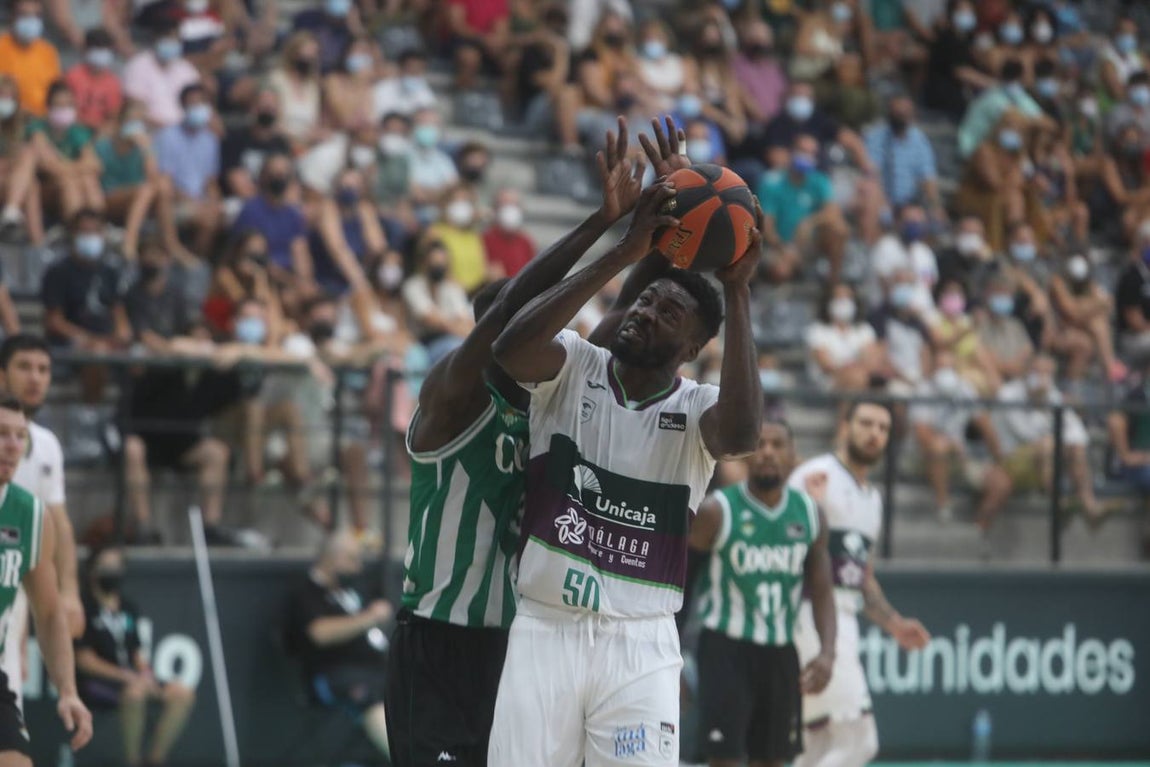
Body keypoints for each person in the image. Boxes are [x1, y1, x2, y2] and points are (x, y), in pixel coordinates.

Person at [386, 116, 682, 767]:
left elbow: (631, 314)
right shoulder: (452, 399)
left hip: (524, 640)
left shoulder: (554, 396)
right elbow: (507, 316)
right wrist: (602, 228)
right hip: (440, 639)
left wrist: (670, 214)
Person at [487, 125, 764, 764]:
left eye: (669, 314)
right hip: (546, 626)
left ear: (691, 349)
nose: (645, 312)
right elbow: (509, 348)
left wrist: (738, 287)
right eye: (645, 302)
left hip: (640, 643)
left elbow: (742, 436)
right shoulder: (574, 365)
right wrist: (627, 249)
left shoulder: (697, 409)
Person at [685, 419, 836, 767]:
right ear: (745, 455)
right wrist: (673, 654)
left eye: (777, 444)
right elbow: (682, 585)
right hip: (725, 649)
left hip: (781, 651)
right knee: (724, 759)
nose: (768, 452)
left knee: (773, 760)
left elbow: (822, 589)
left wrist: (828, 653)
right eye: (760, 444)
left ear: (793, 456)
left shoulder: (810, 514)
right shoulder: (716, 511)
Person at [789, 400, 930, 767]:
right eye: (866, 423)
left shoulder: (873, 499)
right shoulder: (816, 475)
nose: (874, 434)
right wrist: (811, 510)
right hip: (810, 615)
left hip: (844, 616)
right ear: (845, 426)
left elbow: (861, 576)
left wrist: (894, 624)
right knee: (859, 741)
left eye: (883, 428)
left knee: (818, 743)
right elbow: (779, 543)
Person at [0, 396, 93, 764]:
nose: (13, 445)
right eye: (2, 434)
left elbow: (50, 612)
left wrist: (68, 690)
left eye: (20, 435)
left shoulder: (31, 515)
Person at [0, 334, 84, 716]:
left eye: (43, 369)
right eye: (24, 367)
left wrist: (70, 591)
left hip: (15, 573)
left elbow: (59, 523)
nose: (35, 377)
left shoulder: (47, 444)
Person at [74, 546, 195, 767]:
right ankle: (132, 761)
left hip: (132, 677)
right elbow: (85, 661)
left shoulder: (128, 608)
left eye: (116, 566)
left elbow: (137, 653)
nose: (112, 571)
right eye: (106, 566)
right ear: (92, 570)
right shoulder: (83, 607)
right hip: (98, 681)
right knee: (135, 694)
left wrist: (146, 674)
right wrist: (127, 676)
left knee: (182, 693)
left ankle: (155, 759)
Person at [286, 530, 392, 760]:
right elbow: (320, 633)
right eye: (352, 559)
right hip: (335, 675)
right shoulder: (306, 592)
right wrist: (369, 618)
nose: (358, 567)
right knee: (369, 697)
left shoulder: (352, 590)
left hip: (379, 670)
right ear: (333, 558)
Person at [0, 0, 61, 117]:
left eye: (36, 16)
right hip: (7, 119)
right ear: (12, 17)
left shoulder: (48, 52)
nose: (31, 21)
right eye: (24, 15)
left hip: (42, 120)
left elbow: (55, 94)